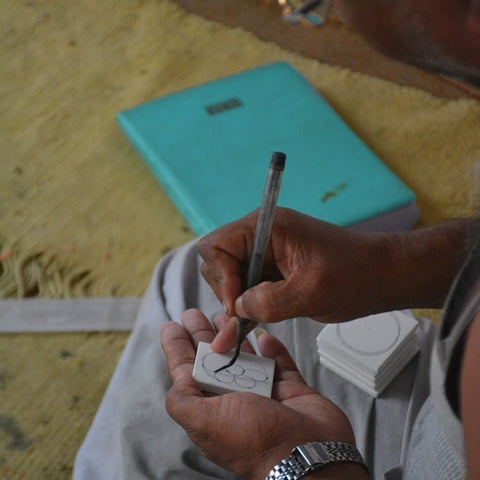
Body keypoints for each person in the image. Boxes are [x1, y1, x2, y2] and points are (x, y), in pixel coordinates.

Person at [74, 1, 480, 479]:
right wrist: (389, 265)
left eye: (315, 2)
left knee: (151, 440)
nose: (304, 9)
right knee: (194, 273)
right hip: (447, 408)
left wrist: (290, 462)